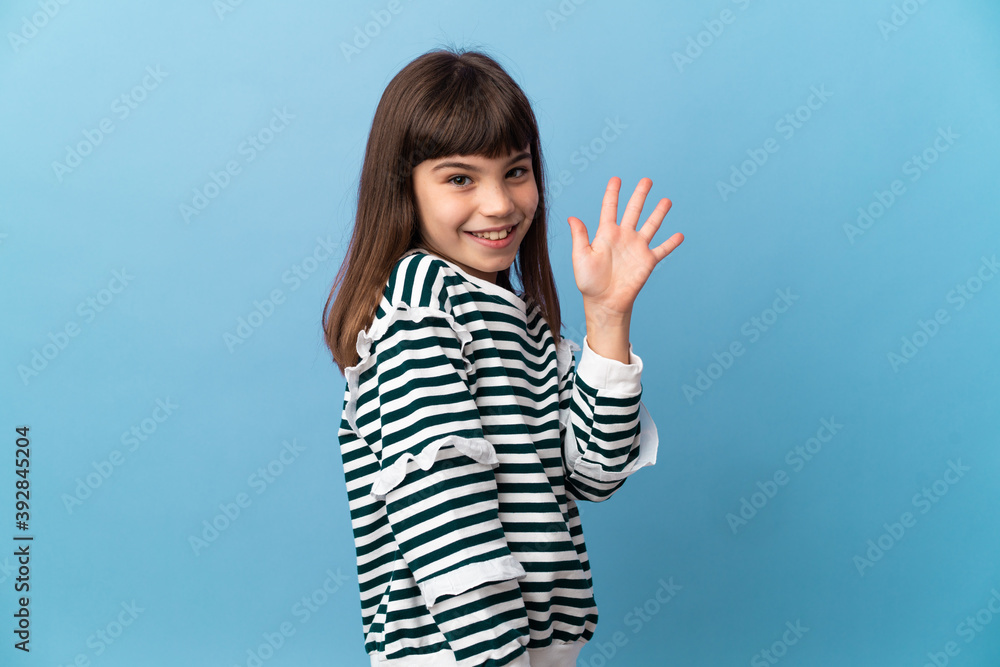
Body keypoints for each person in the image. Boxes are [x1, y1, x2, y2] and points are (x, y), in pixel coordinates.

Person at [322, 46, 683, 667]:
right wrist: (495, 654)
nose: (499, 204)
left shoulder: (516, 317)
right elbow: (442, 505)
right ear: (403, 188)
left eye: (515, 171)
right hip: (469, 652)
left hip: (533, 648)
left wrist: (607, 319)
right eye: (460, 178)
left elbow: (595, 475)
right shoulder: (421, 310)